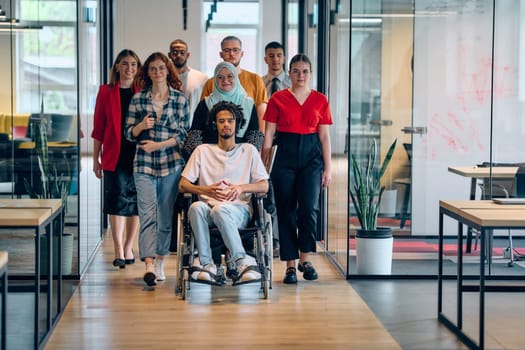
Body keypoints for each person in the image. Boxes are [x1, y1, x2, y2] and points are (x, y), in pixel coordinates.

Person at [179, 101, 269, 284]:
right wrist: (206, 190)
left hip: (238, 210)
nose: (226, 124)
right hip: (207, 209)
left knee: (220, 210)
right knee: (196, 207)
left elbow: (264, 186)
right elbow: (183, 185)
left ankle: (240, 260)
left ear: (237, 124)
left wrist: (241, 188)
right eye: (221, 121)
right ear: (215, 124)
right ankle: (207, 263)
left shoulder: (248, 150)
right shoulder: (202, 151)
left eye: (230, 120)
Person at [261, 54, 332, 284]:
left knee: (309, 209)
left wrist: (327, 169)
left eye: (305, 71)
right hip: (284, 157)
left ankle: (305, 258)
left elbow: (325, 137)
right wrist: (265, 164)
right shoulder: (278, 98)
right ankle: (290, 265)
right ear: (289, 73)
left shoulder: (320, 99)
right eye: (296, 71)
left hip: (312, 159)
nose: (300, 75)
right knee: (286, 209)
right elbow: (269, 134)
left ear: (310, 74)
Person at [125, 52, 189, 287]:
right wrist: (140, 126)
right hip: (143, 165)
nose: (157, 72)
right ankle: (149, 264)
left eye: (161, 68)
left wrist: (158, 145)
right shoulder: (138, 99)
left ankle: (160, 259)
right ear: (147, 73)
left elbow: (183, 134)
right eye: (153, 69)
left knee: (164, 216)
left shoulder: (180, 100)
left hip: (171, 164)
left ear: (168, 70)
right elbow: (128, 133)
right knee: (147, 214)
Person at [92, 49, 141, 269]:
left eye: (133, 64)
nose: (129, 68)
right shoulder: (106, 92)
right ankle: (118, 248)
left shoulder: (143, 91)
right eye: (124, 64)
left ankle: (130, 246)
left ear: (138, 67)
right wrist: (95, 158)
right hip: (114, 154)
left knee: (136, 203)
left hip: (139, 154)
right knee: (116, 202)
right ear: (117, 67)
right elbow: (98, 128)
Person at [183, 61, 261, 157]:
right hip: (210, 157)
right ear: (215, 79)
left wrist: (246, 158)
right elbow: (194, 136)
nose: (225, 80)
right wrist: (201, 159)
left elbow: (254, 135)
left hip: (241, 157)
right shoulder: (205, 104)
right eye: (220, 77)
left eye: (230, 76)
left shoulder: (248, 103)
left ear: (236, 78)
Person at [200, 35, 268, 130]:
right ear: (221, 54)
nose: (231, 54)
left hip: (248, 138)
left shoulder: (255, 79)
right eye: (227, 50)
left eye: (236, 50)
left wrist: (259, 142)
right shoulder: (211, 83)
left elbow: (262, 115)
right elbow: (204, 116)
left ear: (242, 53)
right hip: (215, 137)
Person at [168, 39, 208, 123]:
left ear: (188, 55)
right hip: (170, 128)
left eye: (182, 52)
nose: (178, 55)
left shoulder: (201, 78)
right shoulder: (163, 77)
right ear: (169, 55)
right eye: (175, 52)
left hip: (193, 126)